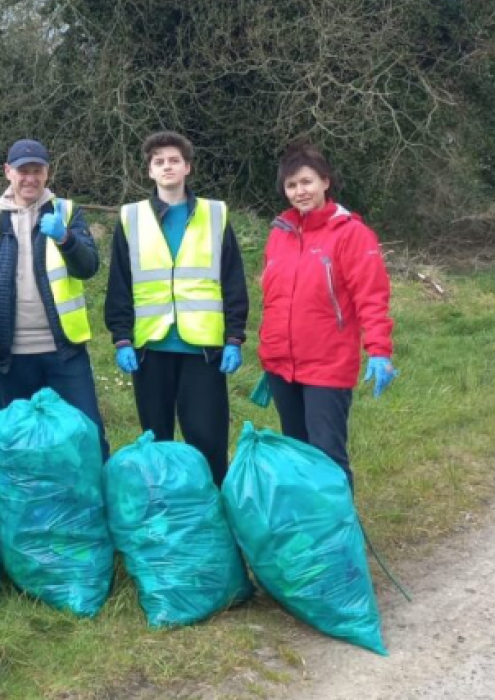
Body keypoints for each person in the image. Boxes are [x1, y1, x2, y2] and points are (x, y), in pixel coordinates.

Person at [103, 131, 249, 486]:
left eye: (173, 160)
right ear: (150, 171)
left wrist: (234, 336)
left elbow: (232, 278)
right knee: (157, 439)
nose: (166, 166)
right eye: (158, 162)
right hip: (151, 348)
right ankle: (166, 514)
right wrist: (121, 338)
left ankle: (214, 514)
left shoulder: (214, 215)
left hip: (202, 349)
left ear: (187, 167)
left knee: (207, 438)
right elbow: (119, 282)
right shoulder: (131, 217)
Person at [258, 142, 397, 488]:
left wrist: (379, 351)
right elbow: (274, 299)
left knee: (327, 455)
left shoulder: (351, 234)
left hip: (327, 364)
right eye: (291, 185)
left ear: (325, 181)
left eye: (306, 182)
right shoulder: (279, 234)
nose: (299, 191)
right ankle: (311, 532)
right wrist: (272, 351)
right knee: (297, 453)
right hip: (282, 365)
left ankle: (339, 537)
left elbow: (372, 297)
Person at [0, 139, 110, 459]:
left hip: (63, 350)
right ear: (8, 172)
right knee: (19, 442)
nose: (29, 178)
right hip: (9, 355)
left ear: (47, 173)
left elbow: (88, 268)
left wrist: (66, 238)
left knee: (88, 435)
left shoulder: (67, 212)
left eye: (37, 171)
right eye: (22, 171)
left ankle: (98, 500)